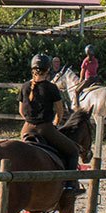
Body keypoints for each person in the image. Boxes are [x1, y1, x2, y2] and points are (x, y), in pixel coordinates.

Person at [19, 53, 82, 195]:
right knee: (73, 151)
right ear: (48, 70)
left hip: (26, 129)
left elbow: (21, 111)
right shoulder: (52, 88)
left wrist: (30, 121)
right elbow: (60, 113)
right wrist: (55, 123)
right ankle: (69, 185)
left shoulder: (25, 86)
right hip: (45, 129)